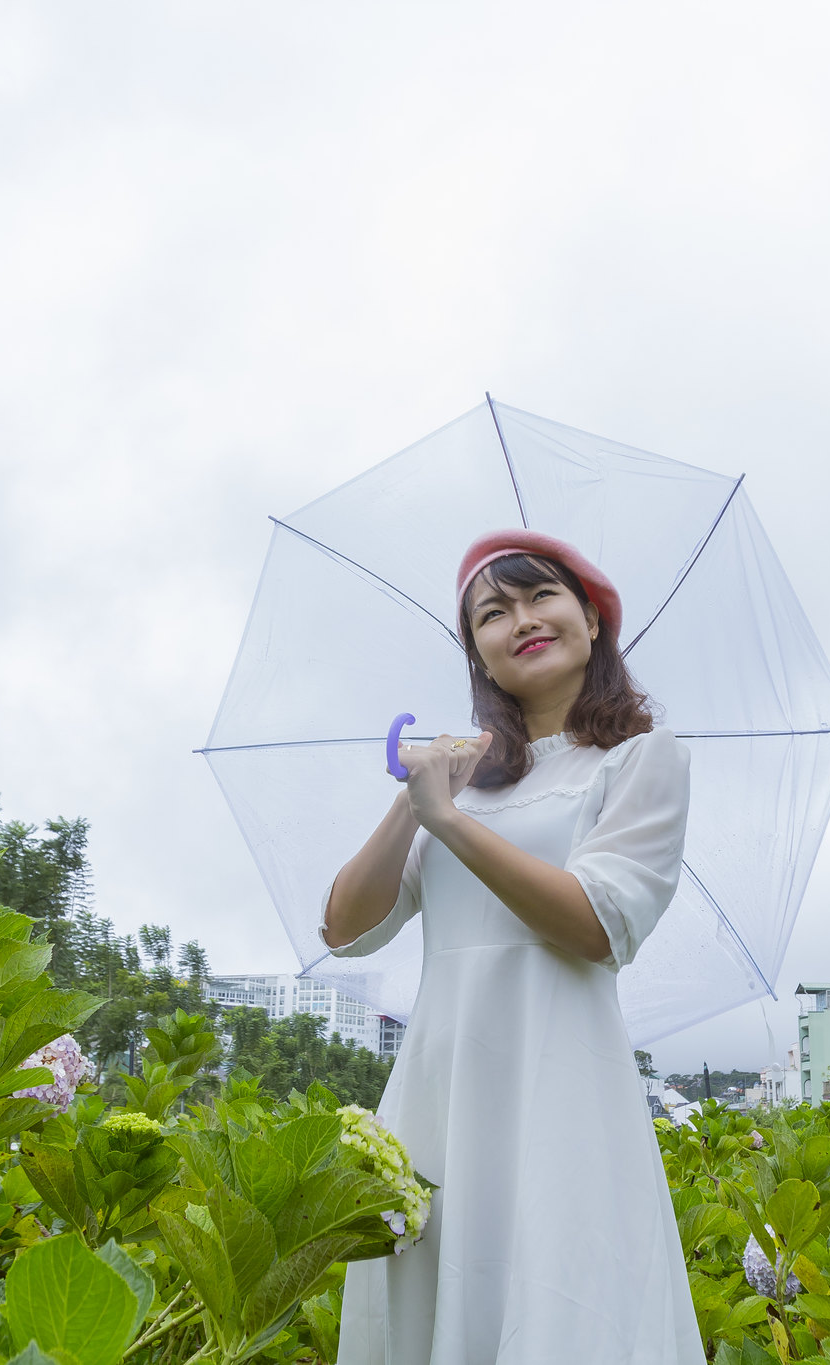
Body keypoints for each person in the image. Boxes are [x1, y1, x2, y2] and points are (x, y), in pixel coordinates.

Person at [320, 529, 705, 1364]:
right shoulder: (465, 784)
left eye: (540, 597)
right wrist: (418, 802)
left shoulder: (640, 759)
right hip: (440, 1095)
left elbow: (596, 922)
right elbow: (345, 929)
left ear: (592, 619)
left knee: (559, 1304)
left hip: (561, 1088)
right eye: (491, 613)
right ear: (479, 658)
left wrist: (448, 822)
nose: (520, 619)